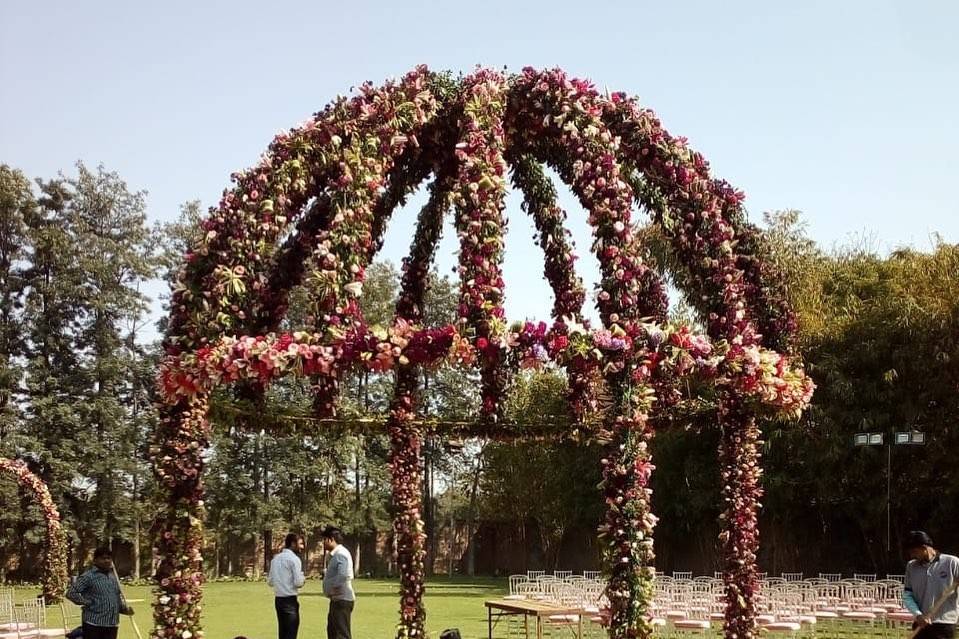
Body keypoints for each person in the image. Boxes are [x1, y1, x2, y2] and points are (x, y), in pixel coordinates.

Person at [66, 547, 134, 639]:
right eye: (103, 558)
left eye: (109, 558)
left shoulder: (113, 578)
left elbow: (116, 598)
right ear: (95, 560)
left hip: (112, 624)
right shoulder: (88, 576)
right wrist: (87, 602)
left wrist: (124, 610)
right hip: (93, 624)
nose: (106, 560)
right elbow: (71, 593)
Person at [903, 530, 959, 639]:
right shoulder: (911, 567)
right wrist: (918, 615)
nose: (912, 555)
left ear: (925, 548)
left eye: (914, 552)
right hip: (920, 624)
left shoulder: (952, 563)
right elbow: (907, 595)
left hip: (944, 623)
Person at [267, 533, 307, 639]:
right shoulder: (294, 559)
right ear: (293, 544)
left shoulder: (275, 559)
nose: (302, 547)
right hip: (290, 600)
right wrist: (303, 578)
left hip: (278, 600)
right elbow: (298, 583)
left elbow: (270, 582)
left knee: (283, 633)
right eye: (301, 544)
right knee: (290, 634)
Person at [321, 525, 355, 639]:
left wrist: (333, 589)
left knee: (341, 634)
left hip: (341, 600)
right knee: (333, 633)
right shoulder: (335, 555)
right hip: (337, 600)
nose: (323, 543)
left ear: (331, 539)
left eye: (324, 540)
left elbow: (343, 574)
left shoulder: (341, 554)